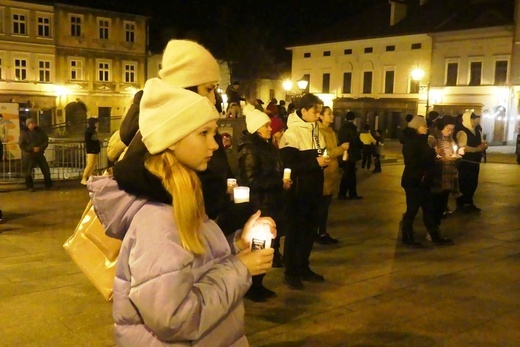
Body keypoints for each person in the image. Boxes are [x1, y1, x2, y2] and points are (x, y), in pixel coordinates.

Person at [89, 78, 275, 346]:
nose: (215, 145)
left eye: (213, 133)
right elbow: (175, 319)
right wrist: (240, 268)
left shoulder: (181, 197)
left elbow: (192, 267)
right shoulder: (158, 219)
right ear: (172, 139)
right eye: (204, 133)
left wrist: (237, 246)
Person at [114, 39, 232, 221]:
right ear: (187, 89)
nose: (214, 99)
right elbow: (208, 198)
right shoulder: (164, 135)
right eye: (208, 89)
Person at [237, 107, 290, 302]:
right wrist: (279, 182)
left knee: (268, 245)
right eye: (266, 125)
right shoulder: (251, 149)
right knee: (258, 246)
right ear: (256, 129)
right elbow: (250, 180)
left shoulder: (265, 145)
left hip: (271, 202)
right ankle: (252, 286)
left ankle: (258, 284)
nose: (270, 128)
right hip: (260, 205)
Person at [279, 93, 330, 290]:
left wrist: (321, 163)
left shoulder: (315, 130)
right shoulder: (291, 134)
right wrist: (314, 162)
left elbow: (316, 158)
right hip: (298, 193)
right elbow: (289, 164)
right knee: (295, 232)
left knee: (309, 230)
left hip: (314, 190)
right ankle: (290, 271)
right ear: (303, 111)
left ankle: (303, 266)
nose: (318, 115)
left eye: (319, 111)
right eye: (315, 111)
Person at [399, 115, 453, 247]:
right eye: (423, 126)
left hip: (423, 180)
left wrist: (434, 154)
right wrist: (433, 153)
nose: (426, 128)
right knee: (412, 209)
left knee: (428, 208)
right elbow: (412, 161)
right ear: (417, 127)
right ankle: (407, 236)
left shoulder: (421, 140)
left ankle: (434, 235)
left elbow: (426, 157)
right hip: (414, 180)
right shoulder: (411, 141)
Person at [316, 106, 349, 245]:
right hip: (324, 173)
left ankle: (321, 231)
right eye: (328, 114)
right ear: (321, 117)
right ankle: (320, 233)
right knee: (321, 206)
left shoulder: (331, 131)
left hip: (331, 172)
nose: (332, 116)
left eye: (332, 114)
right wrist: (341, 149)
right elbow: (326, 153)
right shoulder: (319, 132)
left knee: (325, 205)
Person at [428, 116, 460, 231]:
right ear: (441, 127)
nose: (450, 132)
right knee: (434, 205)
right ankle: (432, 230)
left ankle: (436, 228)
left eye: (452, 129)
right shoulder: (433, 139)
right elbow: (429, 157)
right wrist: (441, 158)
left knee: (442, 204)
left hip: (448, 176)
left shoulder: (450, 139)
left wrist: (457, 154)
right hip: (437, 177)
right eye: (448, 129)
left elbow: (453, 151)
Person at [455, 111, 488, 213]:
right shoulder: (462, 131)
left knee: (473, 183)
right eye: (474, 119)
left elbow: (483, 142)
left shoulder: (477, 130)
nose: (476, 121)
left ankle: (469, 202)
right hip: (465, 162)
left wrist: (484, 146)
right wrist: (477, 149)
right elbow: (463, 147)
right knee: (464, 182)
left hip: (475, 162)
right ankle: (462, 203)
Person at [19, 118, 52, 191]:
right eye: (31, 123)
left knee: (45, 169)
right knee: (28, 172)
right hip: (29, 155)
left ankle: (48, 185)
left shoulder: (40, 131)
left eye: (33, 123)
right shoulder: (24, 133)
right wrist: (31, 149)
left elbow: (45, 140)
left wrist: (40, 148)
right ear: (28, 125)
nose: (33, 124)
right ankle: (30, 186)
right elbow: (22, 144)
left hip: (39, 154)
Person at [337, 111, 363, 200]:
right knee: (349, 175)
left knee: (348, 174)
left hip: (343, 153)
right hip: (350, 154)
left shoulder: (342, 128)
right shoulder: (352, 129)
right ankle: (347, 193)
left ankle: (346, 193)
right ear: (354, 119)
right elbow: (356, 141)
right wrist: (361, 145)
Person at [81, 117, 101, 185]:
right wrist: (93, 148)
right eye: (96, 123)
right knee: (90, 164)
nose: (97, 124)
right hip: (91, 150)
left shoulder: (93, 130)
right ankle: (84, 178)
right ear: (94, 123)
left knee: (93, 164)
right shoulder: (89, 131)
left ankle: (90, 178)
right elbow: (89, 141)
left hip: (94, 149)